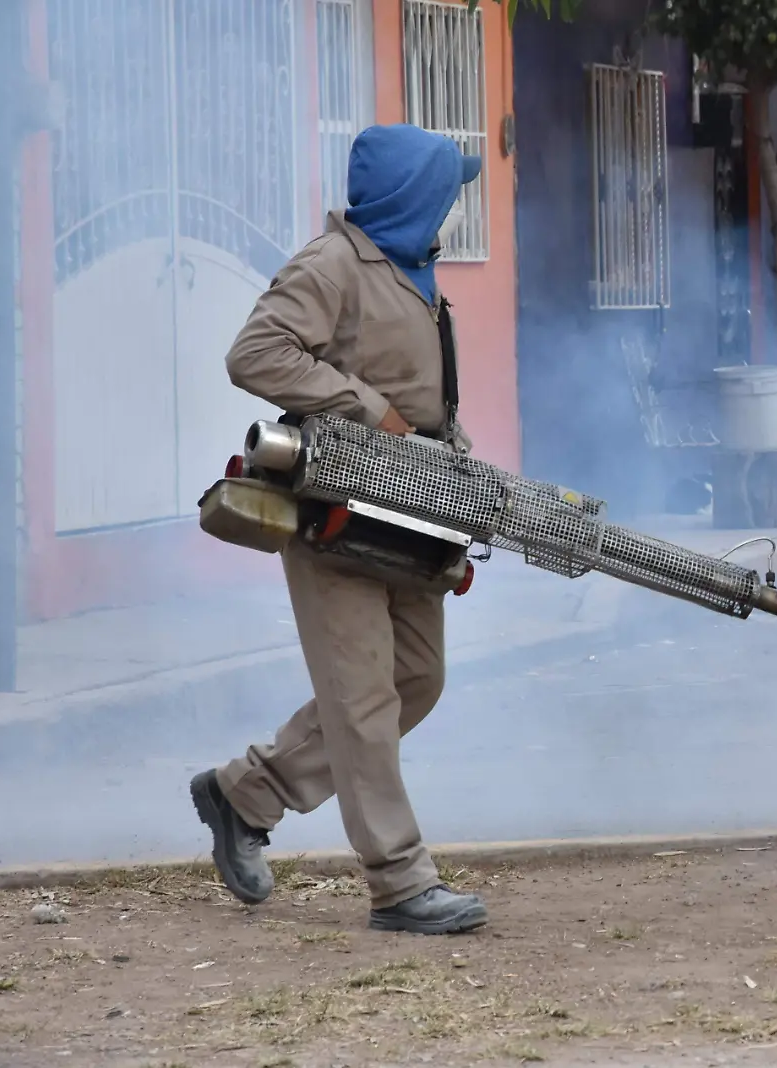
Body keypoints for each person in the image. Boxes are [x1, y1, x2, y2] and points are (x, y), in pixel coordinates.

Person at [189, 124, 488, 935]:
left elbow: (426, 400)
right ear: (413, 197)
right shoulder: (332, 266)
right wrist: (364, 410)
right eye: (446, 192)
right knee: (360, 701)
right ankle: (400, 882)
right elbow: (255, 353)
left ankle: (245, 793)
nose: (454, 208)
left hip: (411, 513)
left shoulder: (416, 271)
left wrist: (454, 463)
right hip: (334, 511)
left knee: (414, 681)